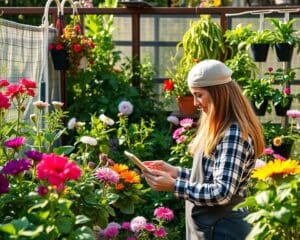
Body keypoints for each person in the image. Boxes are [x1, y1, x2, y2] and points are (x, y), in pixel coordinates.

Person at [143, 59, 265, 240]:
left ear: (219, 94)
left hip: (223, 230)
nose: (195, 102)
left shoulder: (233, 133)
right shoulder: (221, 128)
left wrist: (174, 185)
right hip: (212, 228)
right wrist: (175, 172)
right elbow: (211, 175)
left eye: (199, 95)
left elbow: (221, 192)